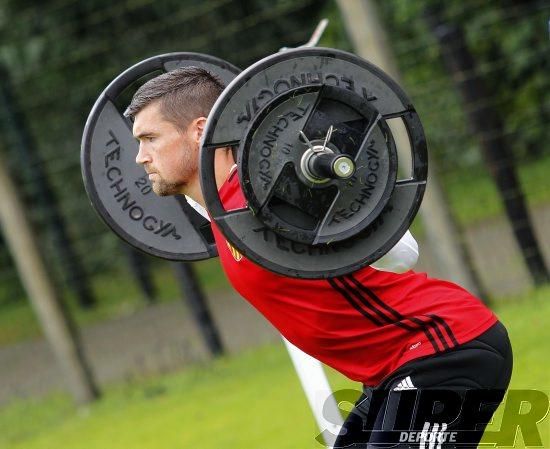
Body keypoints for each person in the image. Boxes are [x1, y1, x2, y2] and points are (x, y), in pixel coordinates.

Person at [125, 67, 513, 448]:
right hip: (390, 371)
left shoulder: (275, 200)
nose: (141, 156)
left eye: (150, 138)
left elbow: (403, 254)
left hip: (441, 349)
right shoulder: (226, 214)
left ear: (198, 130)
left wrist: (334, 192)